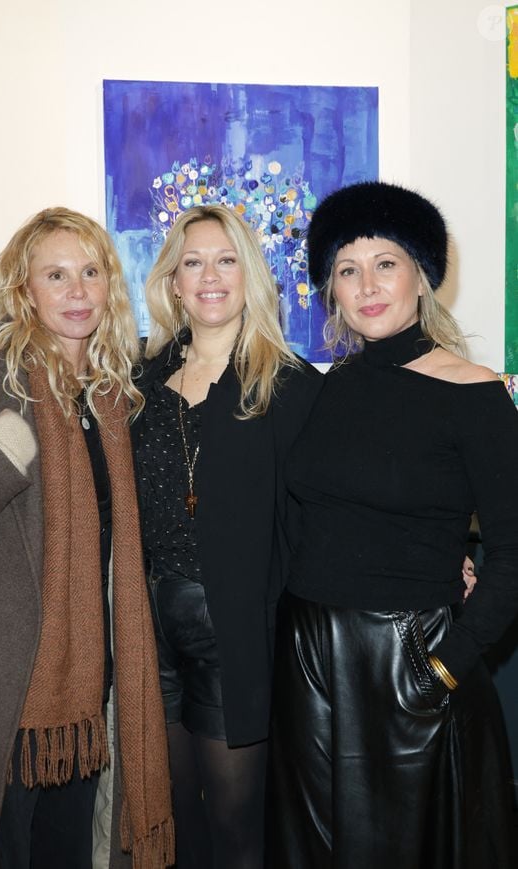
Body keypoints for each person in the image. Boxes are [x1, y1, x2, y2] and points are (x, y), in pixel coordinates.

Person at [267, 180, 518, 868]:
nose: (367, 283)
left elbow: (514, 553)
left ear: (421, 275)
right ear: (331, 291)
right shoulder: (333, 385)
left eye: (385, 262)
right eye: (347, 269)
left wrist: (444, 666)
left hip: (409, 654)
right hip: (309, 653)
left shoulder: (475, 393)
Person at [0, 207, 174, 869]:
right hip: (0, 692)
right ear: (25, 291)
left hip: (88, 699)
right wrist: (0, 457)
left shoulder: (113, 399)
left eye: (91, 272)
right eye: (56, 274)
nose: (77, 291)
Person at [133, 203, 323, 869]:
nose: (210, 275)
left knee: (239, 832)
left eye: (226, 258)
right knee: (175, 823)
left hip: (237, 637)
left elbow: (332, 510)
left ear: (250, 274)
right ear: (172, 281)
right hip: (150, 635)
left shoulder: (290, 384)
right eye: (193, 261)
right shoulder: (141, 384)